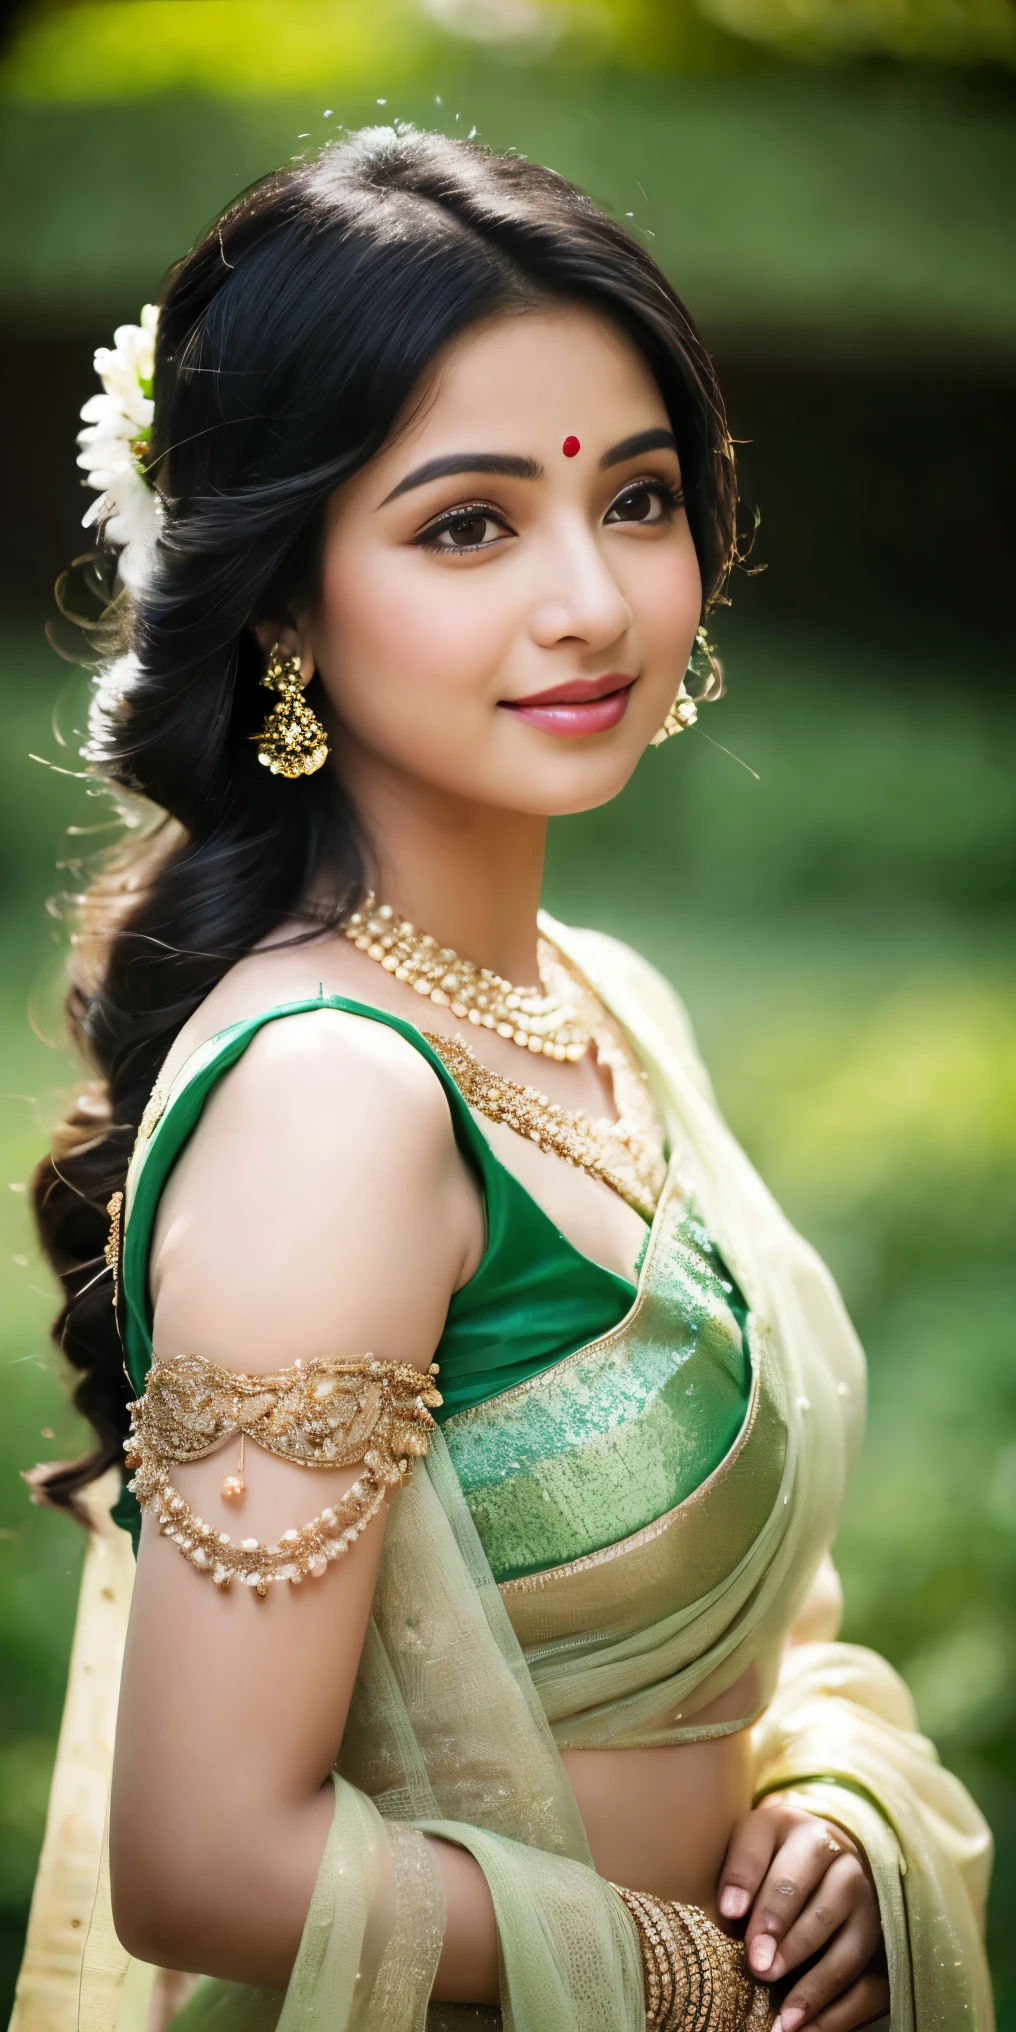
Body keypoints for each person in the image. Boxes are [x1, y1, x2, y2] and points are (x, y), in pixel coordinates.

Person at [14, 127, 992, 2032]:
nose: (593, 604)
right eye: (469, 525)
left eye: (635, 500)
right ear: (282, 600)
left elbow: (756, 1640)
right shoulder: (335, 1107)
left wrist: (833, 1811)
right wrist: (690, 1978)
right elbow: (203, 1860)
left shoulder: (598, 999)